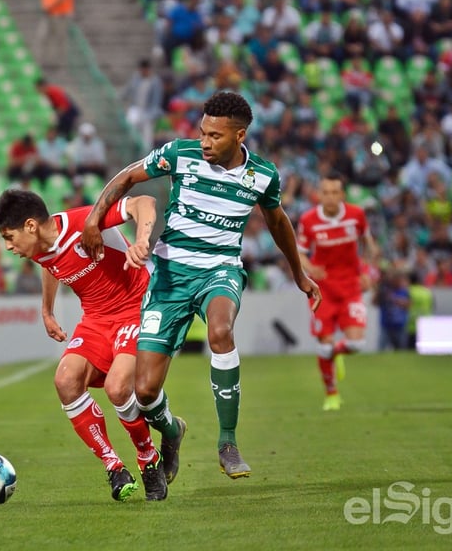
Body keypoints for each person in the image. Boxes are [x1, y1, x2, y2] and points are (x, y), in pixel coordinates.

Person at [80, 92, 321, 498]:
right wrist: (92, 220)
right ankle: (172, 432)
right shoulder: (180, 154)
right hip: (170, 274)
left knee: (221, 331)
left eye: (215, 135)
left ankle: (228, 442)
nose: (205, 141)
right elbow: (126, 178)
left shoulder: (262, 175)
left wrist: (299, 273)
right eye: (202, 133)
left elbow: (278, 223)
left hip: (220, 269)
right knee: (144, 392)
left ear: (239, 136)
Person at [0, 188, 164, 501]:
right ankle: (113, 466)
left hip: (135, 307)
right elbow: (49, 262)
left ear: (31, 226)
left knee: (118, 388)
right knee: (65, 380)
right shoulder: (38, 246)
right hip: (95, 319)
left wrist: (141, 240)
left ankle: (148, 459)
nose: (9, 246)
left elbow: (144, 201)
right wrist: (47, 309)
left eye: (9, 237)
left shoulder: (85, 223)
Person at [296, 174, 378, 411]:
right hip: (323, 291)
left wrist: (368, 273)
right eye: (326, 192)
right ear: (319, 195)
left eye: (335, 192)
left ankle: (336, 353)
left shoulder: (356, 216)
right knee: (323, 345)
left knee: (356, 344)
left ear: (342, 195)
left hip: (351, 286)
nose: (330, 197)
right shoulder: (309, 220)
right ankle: (331, 395)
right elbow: (300, 252)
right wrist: (310, 268)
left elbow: (369, 245)